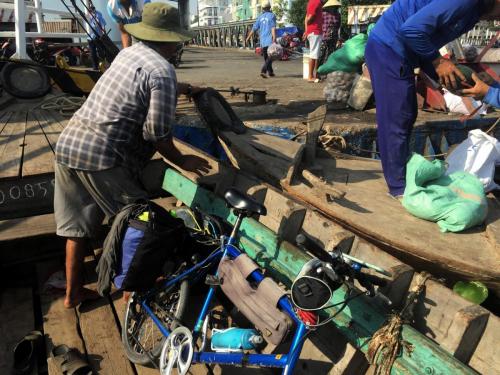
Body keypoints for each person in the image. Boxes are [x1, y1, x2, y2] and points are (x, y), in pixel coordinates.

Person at [54, 2, 210, 309]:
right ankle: (133, 291)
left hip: (69, 145)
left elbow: (140, 83)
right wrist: (182, 160)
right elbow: (156, 133)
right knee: (140, 222)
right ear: (173, 40)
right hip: (103, 157)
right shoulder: (162, 71)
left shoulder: (127, 54)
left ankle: (72, 294)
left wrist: (185, 87)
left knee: (76, 228)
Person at [364, 0, 500, 198]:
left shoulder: (475, 13)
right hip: (388, 48)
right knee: (397, 119)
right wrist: (438, 63)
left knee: (408, 114)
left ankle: (400, 177)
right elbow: (411, 30)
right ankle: (398, 189)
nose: (497, 19)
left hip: (406, 53)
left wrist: (445, 74)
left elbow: (428, 38)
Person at [246, 2, 276, 78]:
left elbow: (254, 28)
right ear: (270, 7)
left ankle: (271, 72)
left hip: (263, 41)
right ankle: (263, 71)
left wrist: (248, 37)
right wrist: (274, 38)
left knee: (266, 57)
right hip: (269, 40)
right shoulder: (272, 16)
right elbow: (273, 27)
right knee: (271, 57)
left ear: (263, 8)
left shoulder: (260, 17)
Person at [303, 0, 324, 82]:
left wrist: (306, 30)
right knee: (314, 54)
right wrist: (308, 29)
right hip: (315, 31)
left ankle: (314, 75)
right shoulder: (316, 2)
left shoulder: (311, 2)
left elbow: (306, 17)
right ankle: (311, 76)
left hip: (312, 31)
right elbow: (310, 17)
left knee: (314, 54)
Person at [319, 0, 341, 66]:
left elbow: (338, 25)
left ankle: (323, 68)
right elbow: (338, 25)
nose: (335, 8)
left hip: (328, 35)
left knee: (327, 53)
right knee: (326, 53)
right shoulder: (337, 14)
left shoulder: (323, 13)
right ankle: (321, 68)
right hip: (328, 35)